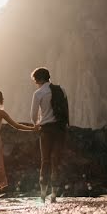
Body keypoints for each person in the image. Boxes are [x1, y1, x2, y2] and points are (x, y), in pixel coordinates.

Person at [30, 67, 69, 203]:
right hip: (59, 129)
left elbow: (33, 116)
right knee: (55, 161)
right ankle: (53, 195)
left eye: (35, 80)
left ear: (39, 79)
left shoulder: (38, 93)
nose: (35, 83)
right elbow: (65, 109)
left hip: (46, 130)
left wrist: (36, 124)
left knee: (45, 161)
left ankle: (42, 194)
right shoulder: (61, 90)